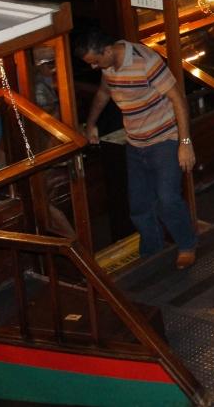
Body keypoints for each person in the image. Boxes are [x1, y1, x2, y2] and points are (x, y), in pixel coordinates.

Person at [77, 29, 198, 269]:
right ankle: (152, 250)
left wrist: (185, 144)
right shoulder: (108, 68)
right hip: (134, 143)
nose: (94, 67)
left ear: (108, 50)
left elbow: (178, 99)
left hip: (164, 140)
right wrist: (90, 124)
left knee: (167, 199)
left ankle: (186, 245)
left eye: (95, 61)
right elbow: (103, 93)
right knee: (139, 205)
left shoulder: (146, 61)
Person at [32, 45, 77, 239]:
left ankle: (72, 242)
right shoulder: (36, 89)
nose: (53, 68)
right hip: (43, 152)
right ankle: (74, 243)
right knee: (42, 201)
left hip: (51, 152)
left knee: (45, 201)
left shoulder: (51, 82)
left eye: (54, 62)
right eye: (49, 63)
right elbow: (47, 122)